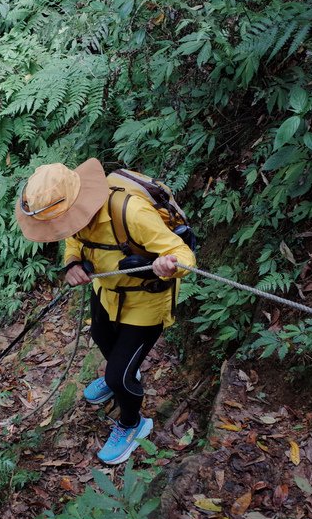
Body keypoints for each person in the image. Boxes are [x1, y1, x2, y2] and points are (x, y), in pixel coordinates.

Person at [15, 158, 196, 465]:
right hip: (107, 292)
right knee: (99, 333)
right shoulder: (73, 216)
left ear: (77, 203)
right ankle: (125, 370)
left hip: (145, 302)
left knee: (118, 376)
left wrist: (167, 265)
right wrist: (72, 263)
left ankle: (132, 422)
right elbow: (73, 238)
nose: (62, 228)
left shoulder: (130, 212)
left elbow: (184, 255)